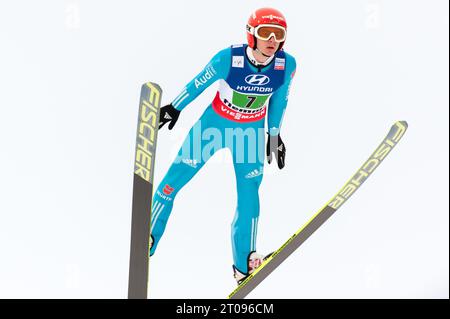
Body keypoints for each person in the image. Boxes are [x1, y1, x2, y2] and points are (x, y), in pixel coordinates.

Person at [150, 7, 297, 285]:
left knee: (249, 197)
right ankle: (150, 236)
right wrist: (174, 107)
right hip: (214, 127)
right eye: (266, 33)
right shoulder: (229, 58)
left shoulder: (286, 65)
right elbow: (198, 82)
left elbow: (280, 101)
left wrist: (274, 135)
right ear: (251, 35)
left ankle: (245, 264)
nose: (272, 41)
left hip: (251, 134)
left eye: (279, 35)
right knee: (173, 182)